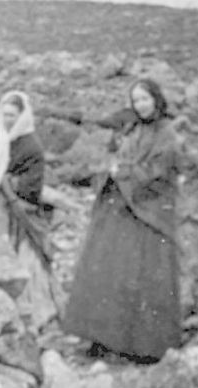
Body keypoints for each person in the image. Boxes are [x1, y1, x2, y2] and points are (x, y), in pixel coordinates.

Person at [63, 79, 181, 362]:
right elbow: (121, 159)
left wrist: (124, 172)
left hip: (146, 216)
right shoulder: (134, 129)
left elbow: (160, 172)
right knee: (108, 271)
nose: (140, 105)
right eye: (136, 100)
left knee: (139, 275)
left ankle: (142, 346)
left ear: (156, 99)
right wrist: (114, 170)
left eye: (144, 99)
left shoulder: (167, 133)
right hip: (120, 210)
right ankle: (102, 338)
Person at [0, 90, 62, 330]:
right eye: (4, 115)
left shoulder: (30, 145)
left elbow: (31, 186)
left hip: (15, 212)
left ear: (23, 116)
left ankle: (25, 314)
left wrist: (6, 184)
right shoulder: (3, 140)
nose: (8, 120)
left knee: (20, 261)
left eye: (12, 115)